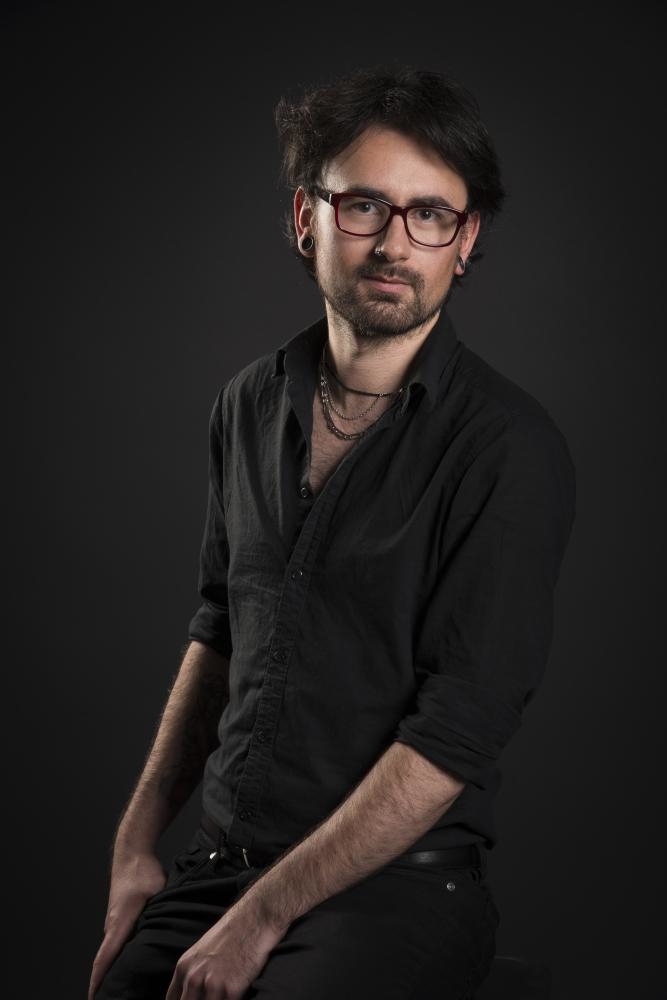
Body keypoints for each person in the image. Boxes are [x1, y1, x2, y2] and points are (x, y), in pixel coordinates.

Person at [89, 64, 577, 1000]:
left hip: (399, 891)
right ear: (306, 218)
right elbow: (219, 629)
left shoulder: (508, 448)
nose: (394, 243)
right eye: (364, 206)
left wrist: (264, 917)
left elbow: (458, 732)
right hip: (218, 872)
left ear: (465, 240)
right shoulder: (246, 404)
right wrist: (136, 844)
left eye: (429, 215)